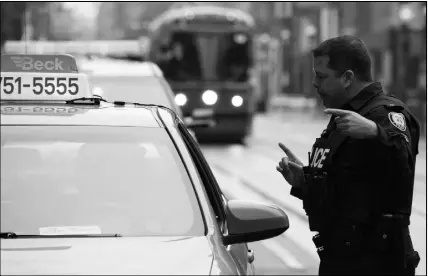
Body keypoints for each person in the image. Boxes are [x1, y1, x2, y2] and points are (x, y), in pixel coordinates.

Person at [276, 35, 420, 275]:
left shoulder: (385, 113)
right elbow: (345, 190)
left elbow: (403, 162)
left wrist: (375, 133)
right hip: (341, 257)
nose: (314, 83)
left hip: (377, 262)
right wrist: (305, 181)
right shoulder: (344, 114)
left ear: (347, 78)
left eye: (321, 76)